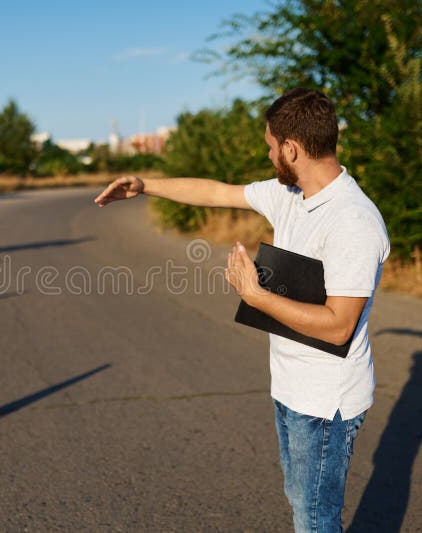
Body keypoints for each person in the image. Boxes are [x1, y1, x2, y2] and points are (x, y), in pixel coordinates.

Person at [94, 88, 390, 532]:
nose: (269, 155)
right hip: (291, 387)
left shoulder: (353, 220)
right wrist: (145, 186)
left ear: (292, 148)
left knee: (315, 520)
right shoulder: (290, 194)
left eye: (271, 147)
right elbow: (215, 191)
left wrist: (256, 296)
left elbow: (338, 326)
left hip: (326, 403)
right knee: (300, 504)